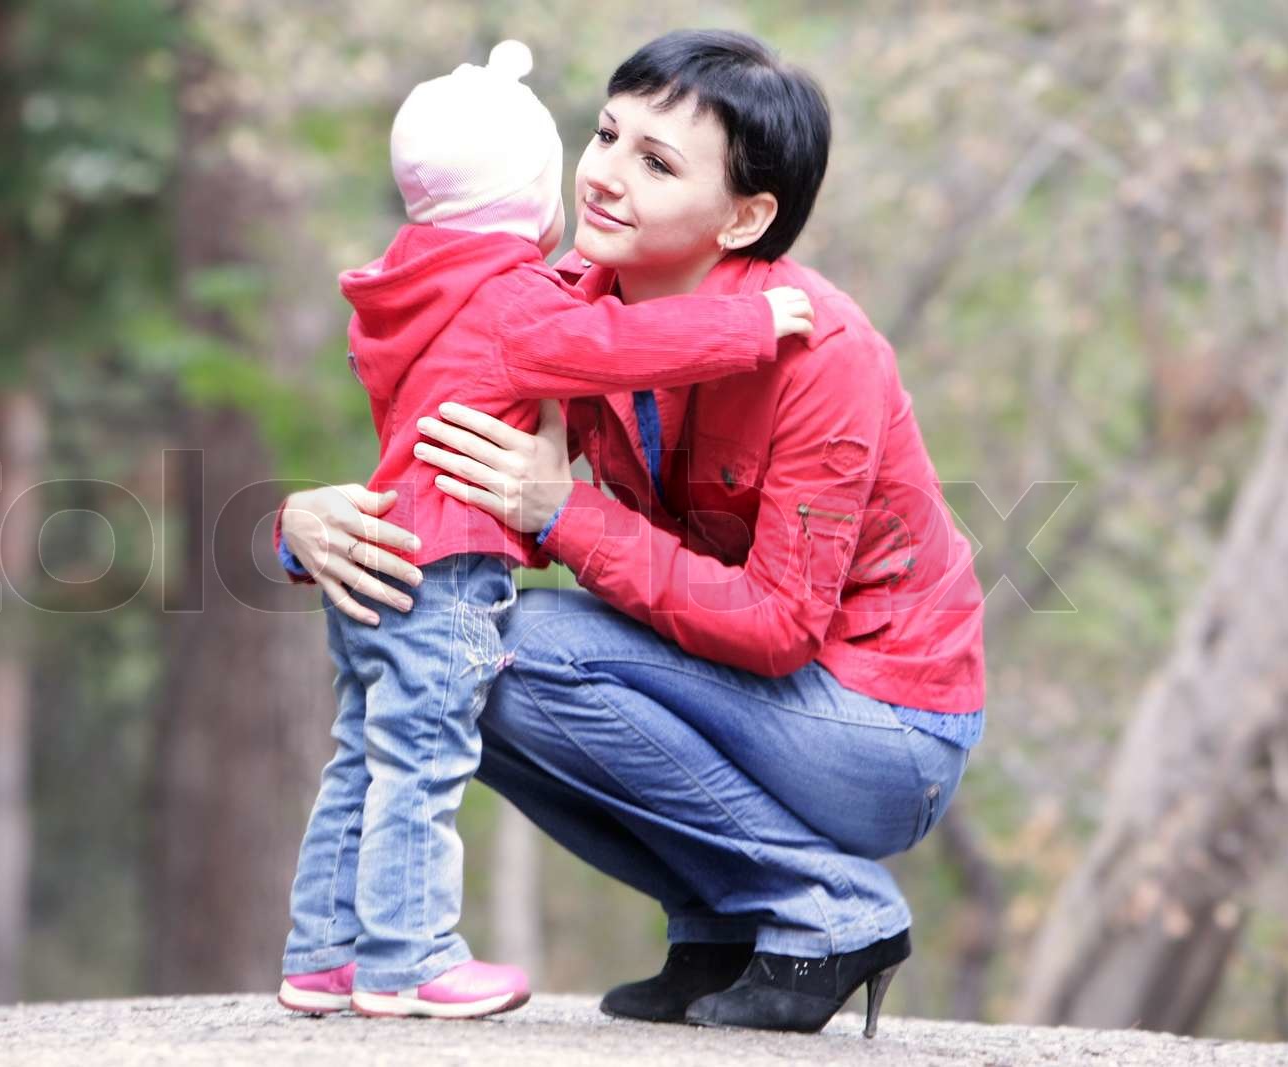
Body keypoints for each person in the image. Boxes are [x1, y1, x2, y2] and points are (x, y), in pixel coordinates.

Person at [276, 29, 986, 1038]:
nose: (605, 175)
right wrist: (301, 527)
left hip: (885, 726)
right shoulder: (556, 307)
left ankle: (831, 908)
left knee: (503, 648)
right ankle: (725, 921)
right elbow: (427, 453)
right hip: (751, 700)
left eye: (655, 163)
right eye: (607, 135)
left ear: (746, 215)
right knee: (451, 653)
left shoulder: (820, 352)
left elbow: (781, 623)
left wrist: (561, 512)